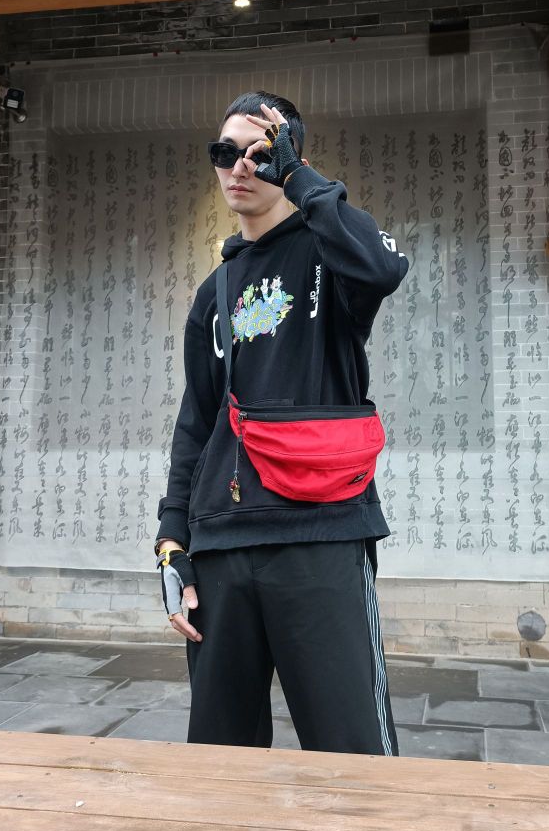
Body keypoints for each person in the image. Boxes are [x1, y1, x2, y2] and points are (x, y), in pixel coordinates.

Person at [155, 91, 408, 754]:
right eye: (225, 153)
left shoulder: (332, 256)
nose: (239, 167)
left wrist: (299, 177)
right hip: (220, 546)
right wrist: (173, 537)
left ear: (290, 158)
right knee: (222, 753)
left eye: (259, 153)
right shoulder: (213, 293)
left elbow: (383, 267)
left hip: (319, 535)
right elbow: (197, 421)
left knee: (353, 753)